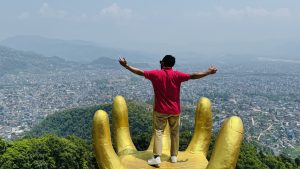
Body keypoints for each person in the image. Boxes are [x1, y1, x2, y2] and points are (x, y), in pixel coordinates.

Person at [119, 55, 217, 166]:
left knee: (158, 132)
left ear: (163, 63)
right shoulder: (177, 75)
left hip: (160, 110)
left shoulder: (156, 74)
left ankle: (156, 157)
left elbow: (140, 72)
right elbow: (193, 76)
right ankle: (174, 156)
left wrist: (126, 66)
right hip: (175, 110)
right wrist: (208, 72)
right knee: (175, 133)